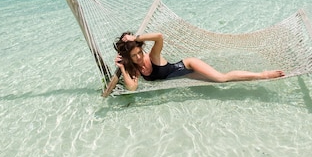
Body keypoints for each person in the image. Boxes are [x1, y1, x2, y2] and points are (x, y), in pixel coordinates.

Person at [114, 32, 284, 91]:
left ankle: (263, 74)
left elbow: (159, 37)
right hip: (188, 76)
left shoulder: (152, 57)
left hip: (188, 65)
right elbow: (132, 87)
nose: (138, 58)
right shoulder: (134, 68)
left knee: (221, 79)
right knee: (218, 81)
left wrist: (135, 37)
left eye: (139, 52)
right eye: (134, 56)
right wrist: (122, 67)